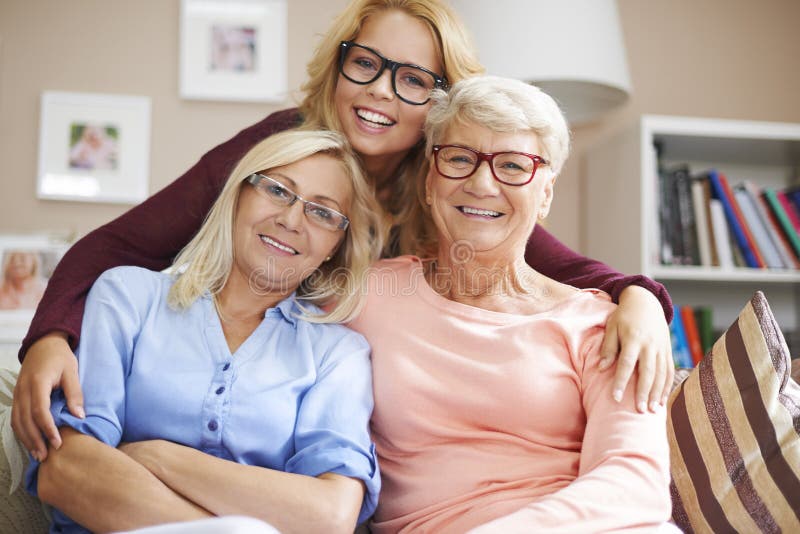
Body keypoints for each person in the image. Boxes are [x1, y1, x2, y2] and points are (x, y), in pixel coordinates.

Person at [13, 0, 674, 463]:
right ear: (339, 64)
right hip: (234, 374)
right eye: (368, 64)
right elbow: (118, 246)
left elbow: (572, 271)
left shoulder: (451, 182)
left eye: (414, 80)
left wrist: (641, 298)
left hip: (341, 409)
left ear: (442, 107)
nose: (382, 91)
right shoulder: (278, 148)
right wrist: (49, 337)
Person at [347, 75, 673, 532]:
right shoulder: (365, 296)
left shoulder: (603, 324)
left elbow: (636, 484)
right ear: (428, 181)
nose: (482, 183)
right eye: (459, 158)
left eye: (514, 166)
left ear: (546, 194)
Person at [25, 129, 383, 533]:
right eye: (278, 190)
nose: (291, 219)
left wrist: (158, 456)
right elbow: (64, 469)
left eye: (322, 212)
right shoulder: (127, 296)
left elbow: (329, 516)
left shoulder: (338, 354)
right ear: (238, 196)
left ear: (336, 244)